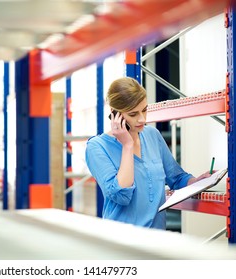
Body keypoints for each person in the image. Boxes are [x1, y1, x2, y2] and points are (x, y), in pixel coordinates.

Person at [85, 77, 212, 230]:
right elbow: (121, 196)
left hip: (157, 239)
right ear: (114, 114)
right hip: (120, 241)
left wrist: (198, 181)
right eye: (133, 114)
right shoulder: (97, 147)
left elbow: (177, 178)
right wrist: (127, 145)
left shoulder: (152, 135)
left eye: (144, 110)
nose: (142, 119)